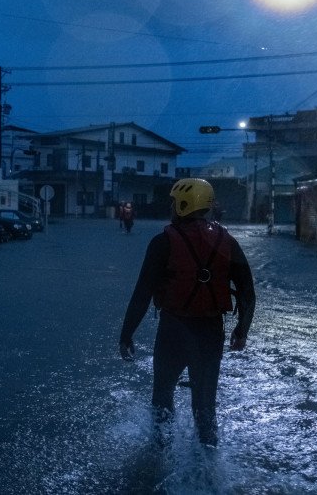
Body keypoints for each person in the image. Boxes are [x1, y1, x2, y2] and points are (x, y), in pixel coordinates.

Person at [118, 178, 255, 447]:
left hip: (173, 330)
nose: (170, 206)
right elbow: (248, 291)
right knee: (205, 405)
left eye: (173, 202)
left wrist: (126, 335)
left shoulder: (162, 243)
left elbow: (142, 294)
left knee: (162, 396)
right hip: (211, 332)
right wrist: (242, 331)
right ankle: (207, 464)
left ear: (183, 205)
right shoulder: (228, 241)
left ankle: (159, 452)